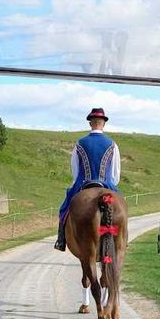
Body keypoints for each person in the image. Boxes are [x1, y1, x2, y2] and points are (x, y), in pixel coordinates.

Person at [54, 107, 121, 251]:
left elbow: (75, 170)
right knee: (122, 207)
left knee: (64, 209)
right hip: (107, 184)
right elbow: (116, 174)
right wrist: (111, 185)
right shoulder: (112, 145)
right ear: (103, 123)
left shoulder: (79, 144)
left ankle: (61, 240)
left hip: (83, 183)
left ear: (90, 123)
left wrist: (76, 184)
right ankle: (122, 240)